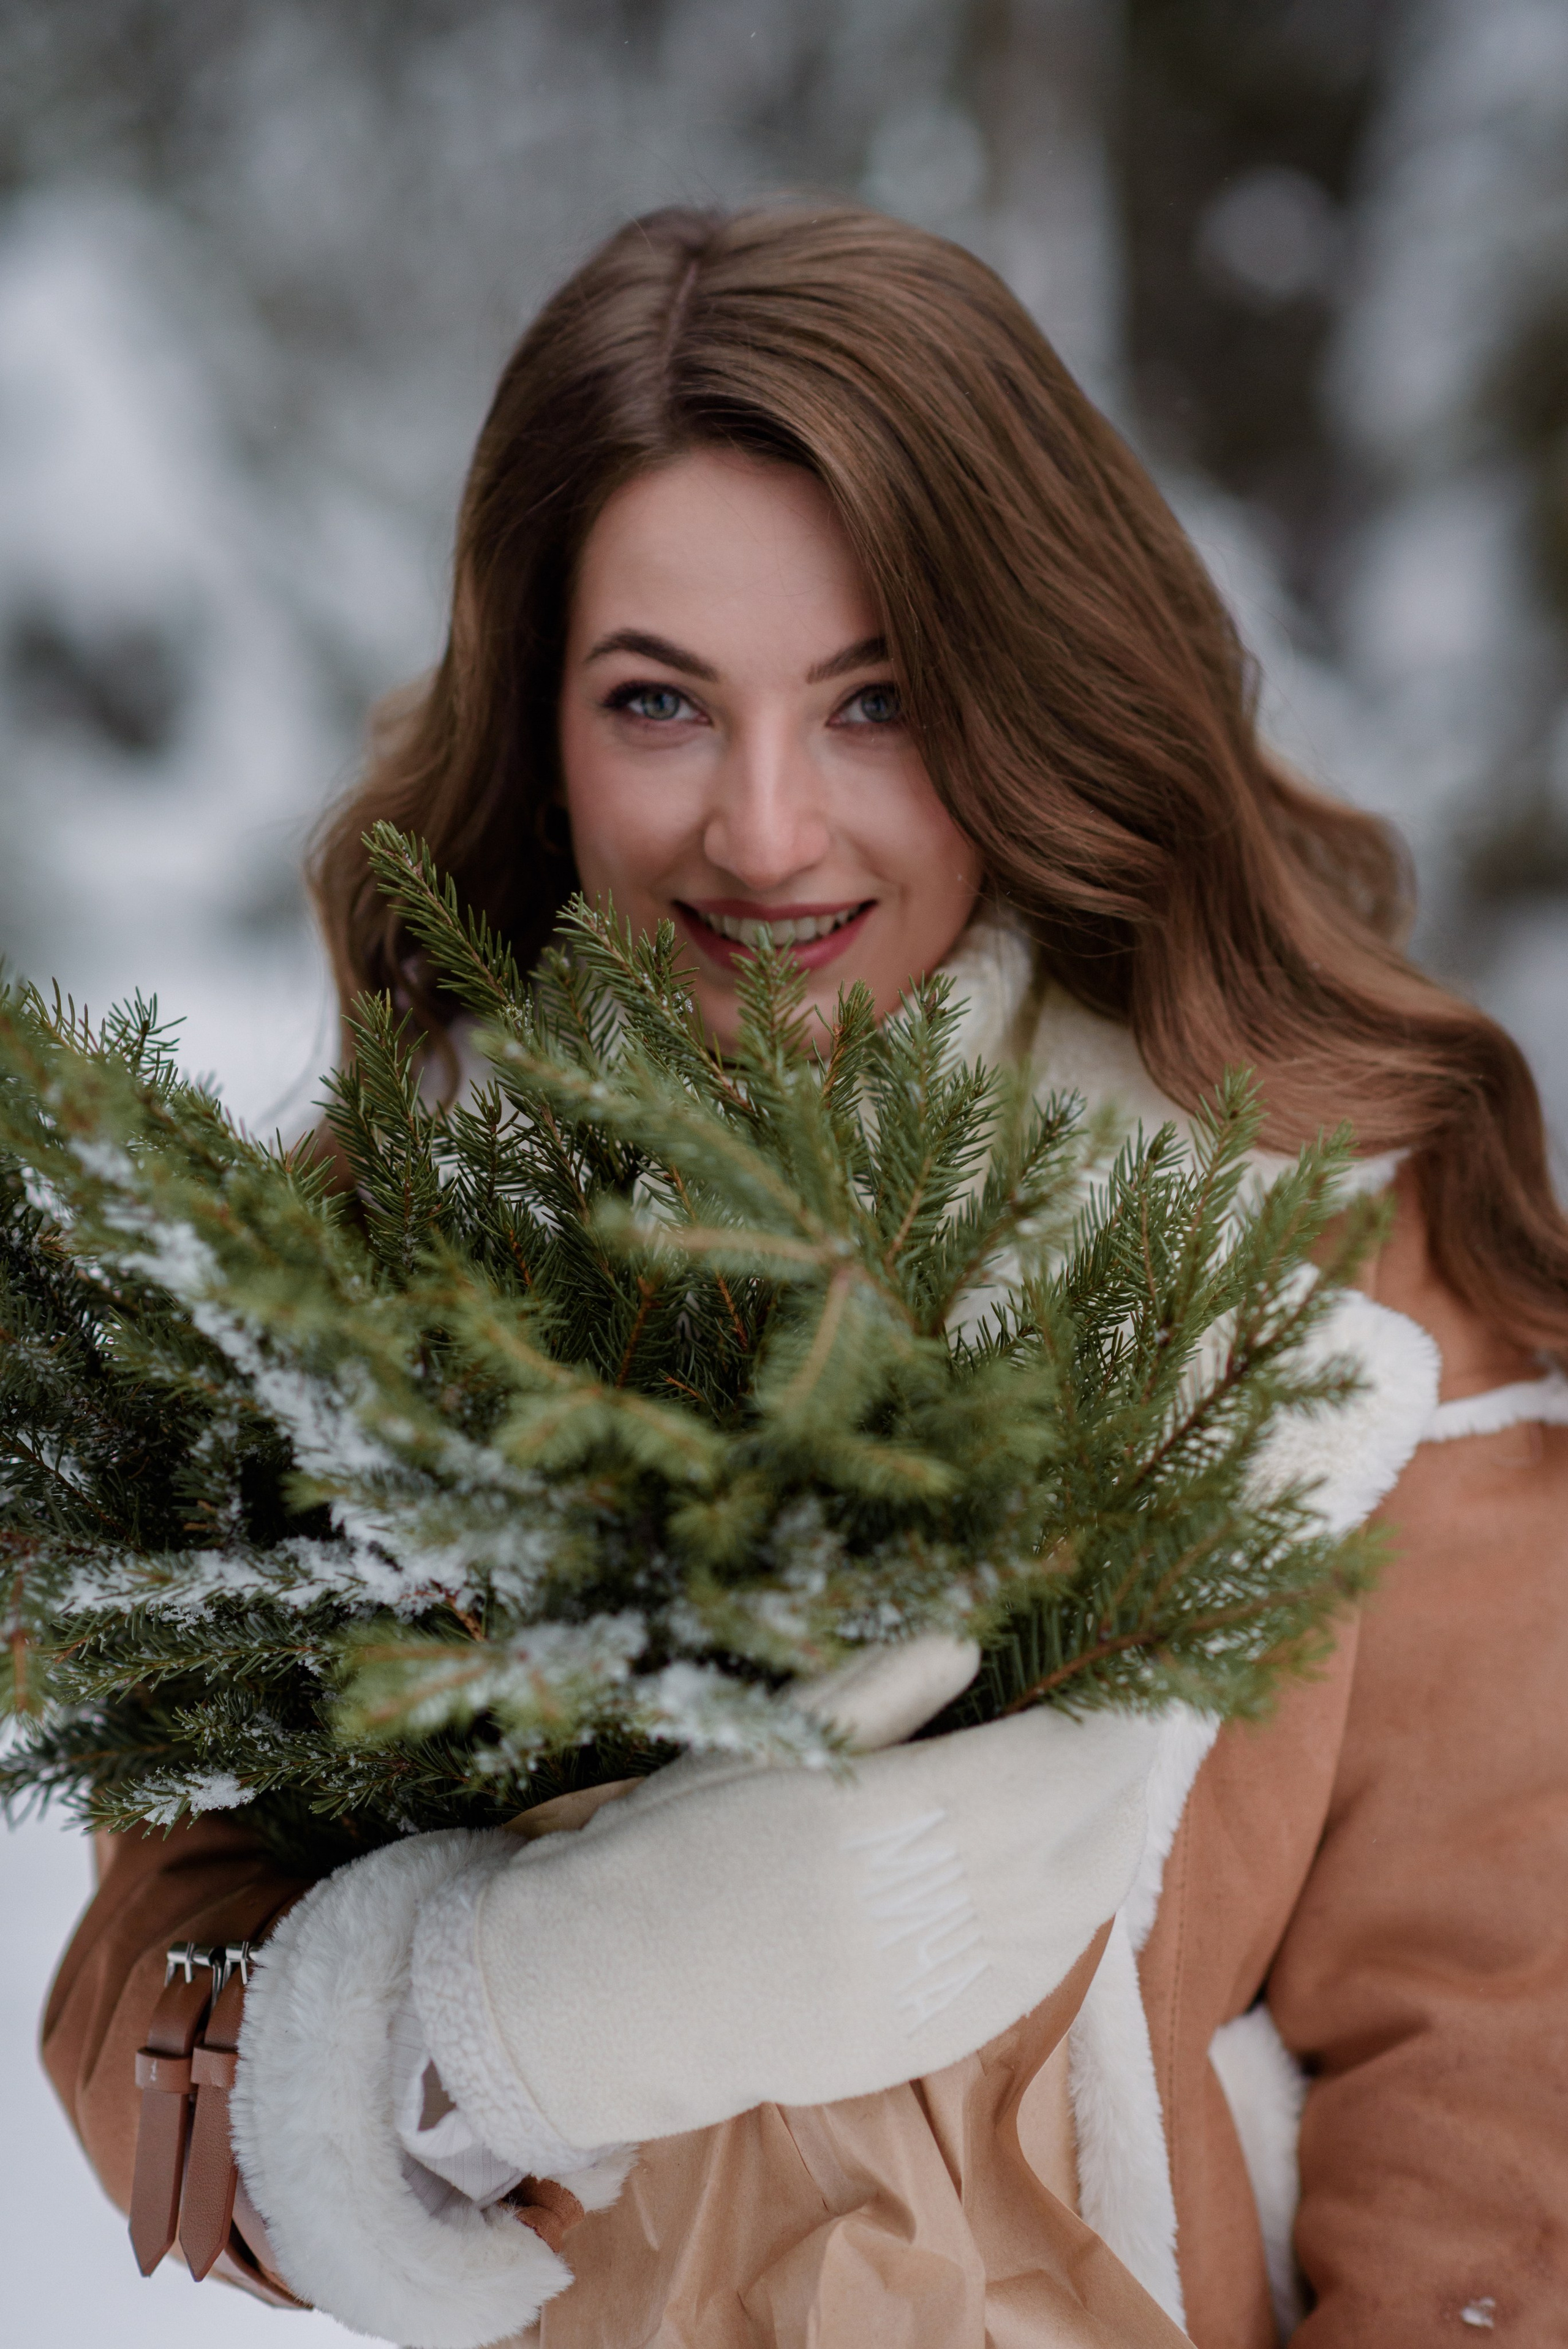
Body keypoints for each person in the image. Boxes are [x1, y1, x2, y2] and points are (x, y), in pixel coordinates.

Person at [41, 203, 1568, 2349]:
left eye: (875, 703)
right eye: (659, 701)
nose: (765, 834)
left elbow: (1508, 2056)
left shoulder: (1321, 1210)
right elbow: (158, 1990)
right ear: (538, 713)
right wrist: (493, 2013)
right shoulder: (388, 1242)